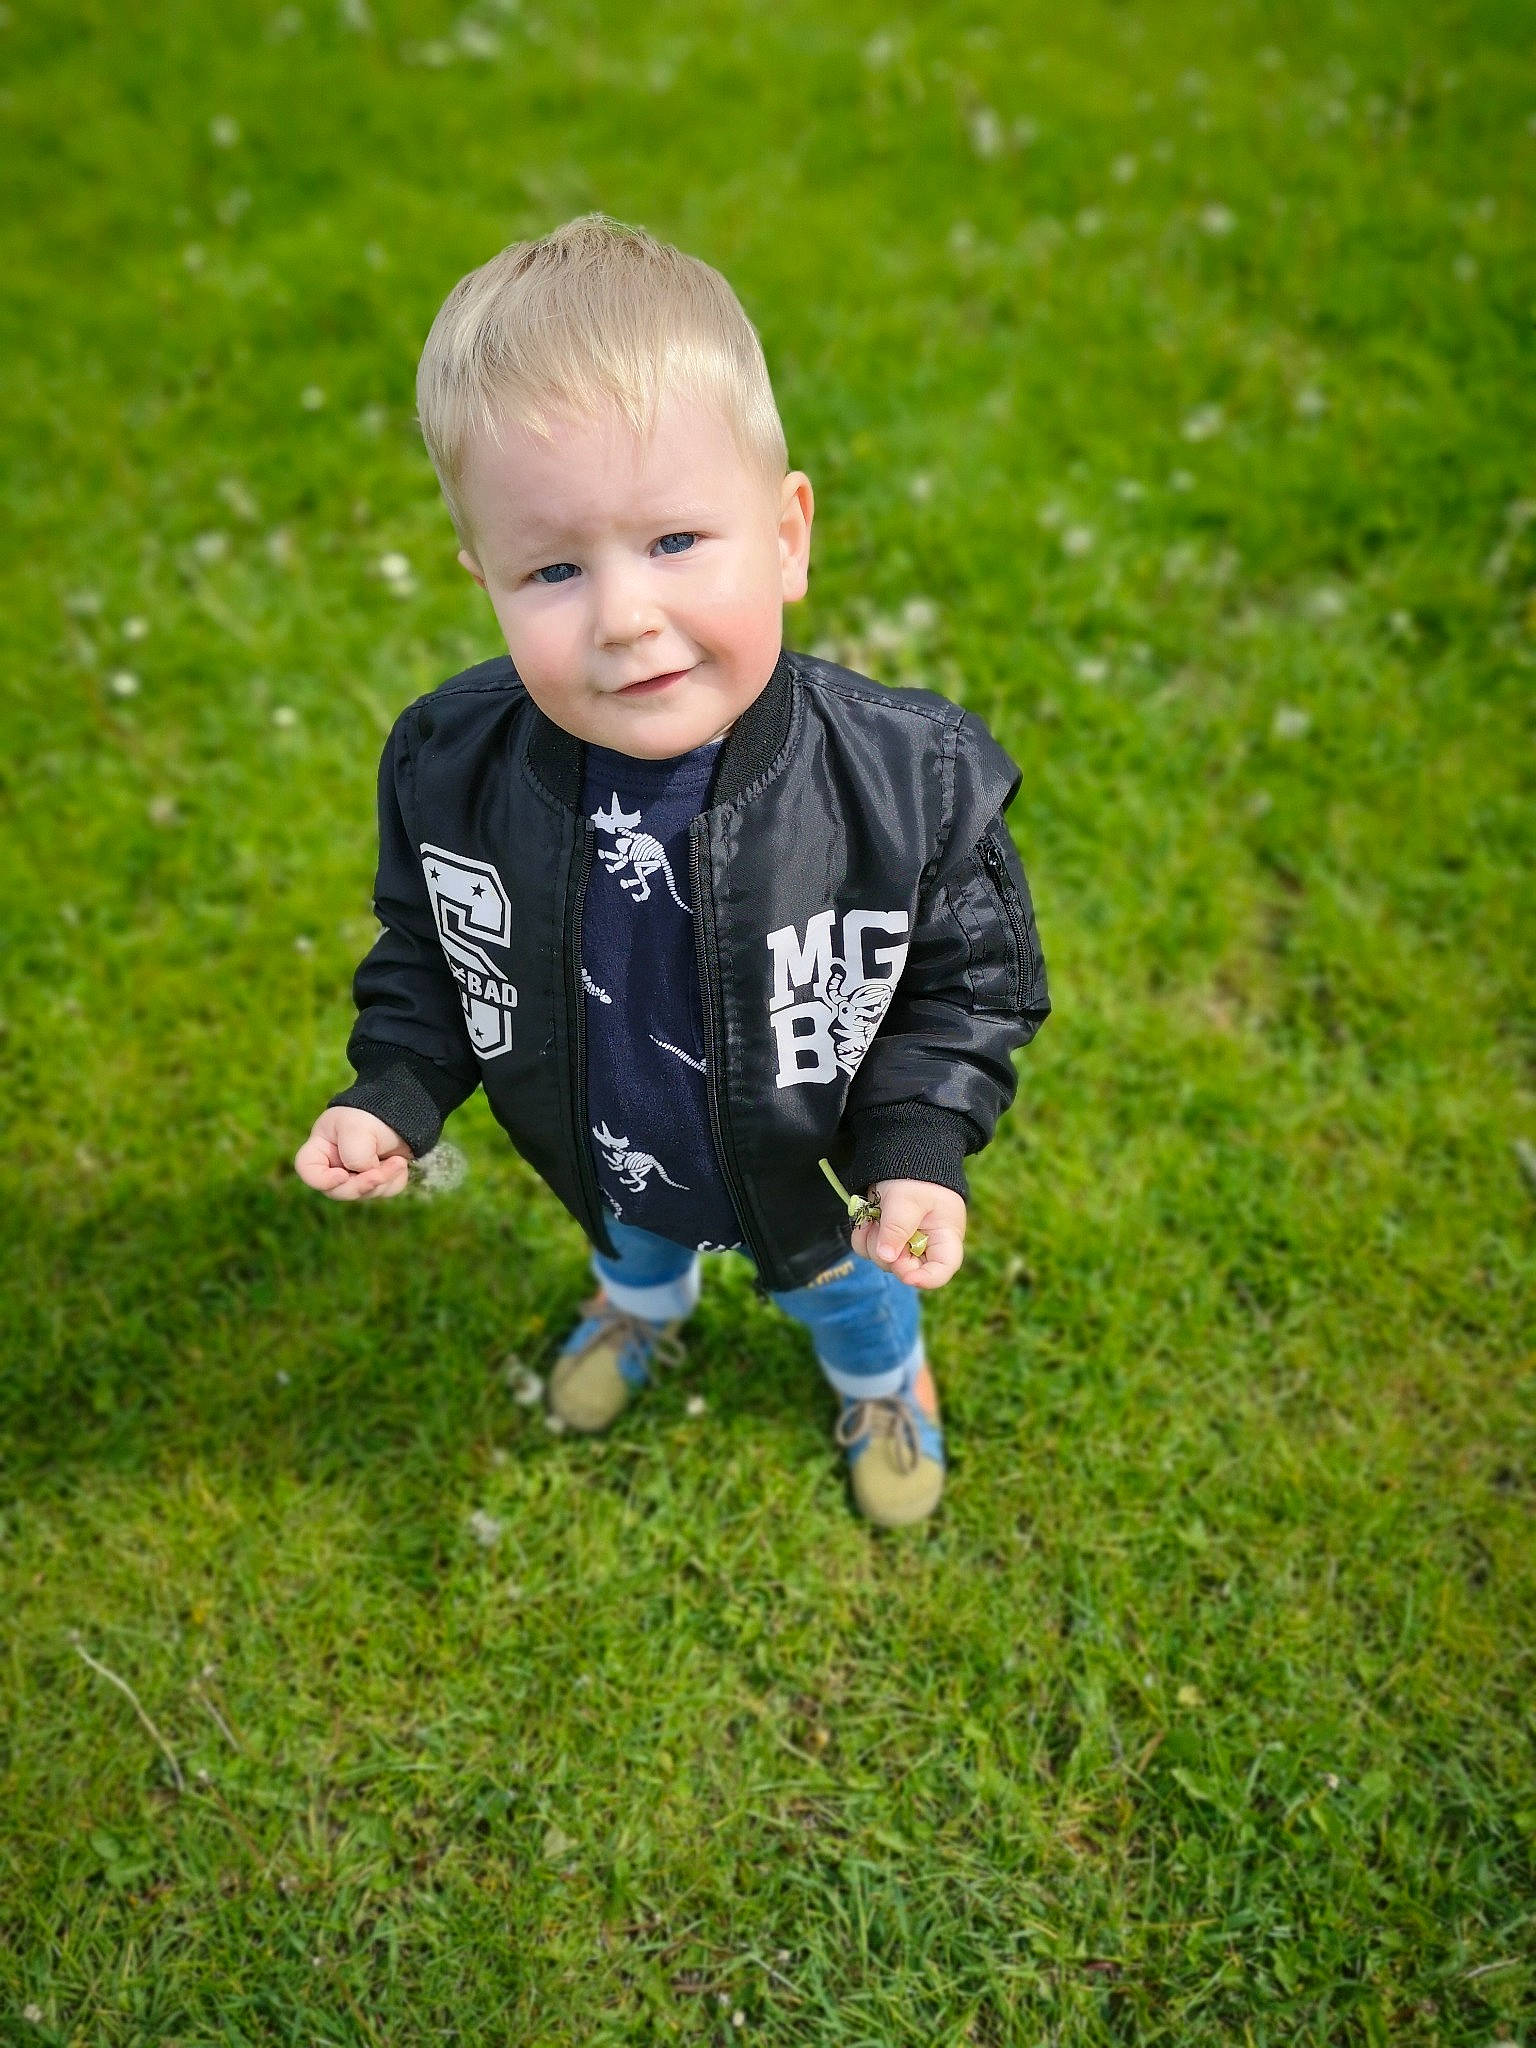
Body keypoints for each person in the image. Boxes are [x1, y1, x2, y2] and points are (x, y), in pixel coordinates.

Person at [294, 213, 1049, 1527]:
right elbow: (432, 948)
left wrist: (920, 1149)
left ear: (787, 534)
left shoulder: (902, 783)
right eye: (553, 567)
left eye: (677, 543)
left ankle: (883, 1381)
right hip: (599, 1143)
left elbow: (967, 985)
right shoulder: (451, 766)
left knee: (849, 1296)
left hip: (818, 1175)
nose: (625, 613)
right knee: (635, 1241)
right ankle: (643, 1305)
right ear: (483, 581)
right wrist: (397, 1094)